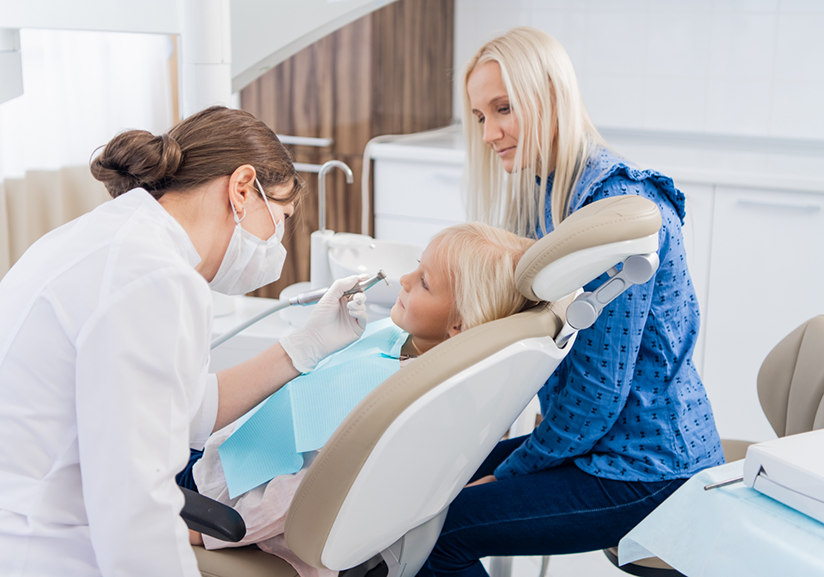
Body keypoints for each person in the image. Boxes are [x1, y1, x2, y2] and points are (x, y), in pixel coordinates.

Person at [0, 106, 371, 577]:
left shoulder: (102, 239)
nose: (276, 243)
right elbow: (137, 508)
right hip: (49, 549)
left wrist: (303, 347)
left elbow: (185, 408)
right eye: (280, 216)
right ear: (241, 189)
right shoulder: (156, 278)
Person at [416, 27, 725, 577]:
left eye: (502, 109)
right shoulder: (558, 198)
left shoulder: (615, 212)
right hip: (599, 445)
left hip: (644, 465)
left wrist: (516, 470)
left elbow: (598, 392)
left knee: (439, 532)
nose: (488, 133)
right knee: (420, 493)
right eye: (480, 116)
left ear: (548, 96)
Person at [180, 222, 534, 577]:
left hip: (232, 509)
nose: (405, 280)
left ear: (458, 324)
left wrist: (208, 533)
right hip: (231, 464)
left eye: (425, 282)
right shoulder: (401, 344)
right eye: (416, 265)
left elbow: (305, 497)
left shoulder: (395, 402)